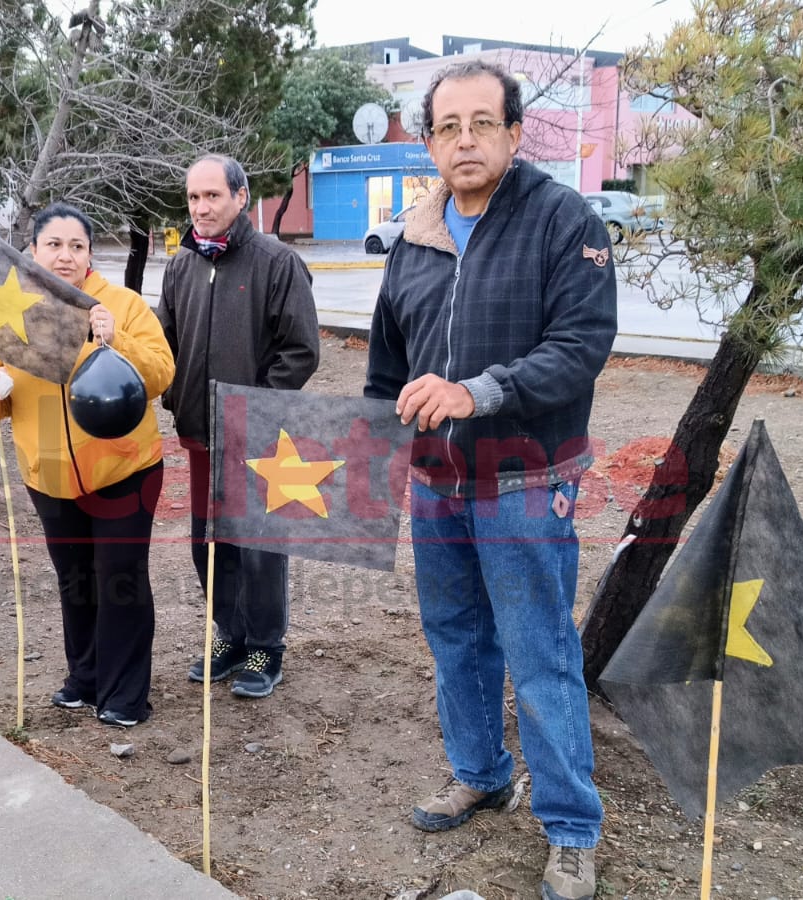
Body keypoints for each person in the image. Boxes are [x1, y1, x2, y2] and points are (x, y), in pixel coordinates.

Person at [362, 61, 618, 900]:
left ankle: (572, 829)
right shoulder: (416, 236)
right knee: (456, 641)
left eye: (482, 123)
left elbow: (579, 347)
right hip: (437, 485)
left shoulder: (561, 220)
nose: (464, 139)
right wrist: (371, 444)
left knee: (539, 654)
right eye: (447, 126)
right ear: (428, 140)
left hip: (525, 483)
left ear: (514, 132)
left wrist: (478, 391)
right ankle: (479, 772)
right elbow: (387, 363)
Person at [0, 203, 173, 728]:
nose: (66, 255)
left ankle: (124, 694)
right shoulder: (7, 308)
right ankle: (85, 677)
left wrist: (112, 338)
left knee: (119, 577)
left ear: (90, 253)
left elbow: (161, 372)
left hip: (124, 469)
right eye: (54, 244)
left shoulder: (120, 304)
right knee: (74, 577)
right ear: (33, 251)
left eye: (77, 246)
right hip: (47, 473)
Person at [157, 154, 319, 700]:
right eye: (194, 198)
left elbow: (300, 351)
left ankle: (264, 646)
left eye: (212, 196)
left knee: (259, 546)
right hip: (199, 434)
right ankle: (229, 633)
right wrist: (172, 394)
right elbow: (165, 343)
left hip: (259, 438)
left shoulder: (277, 262)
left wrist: (253, 410)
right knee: (209, 542)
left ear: (240, 197)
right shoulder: (181, 266)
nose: (201, 208)